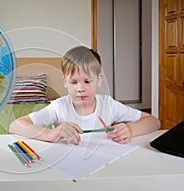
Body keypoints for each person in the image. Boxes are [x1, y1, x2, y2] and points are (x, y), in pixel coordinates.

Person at [9, 46, 160, 145]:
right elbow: (15, 126)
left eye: (87, 81)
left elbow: (153, 122)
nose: (80, 89)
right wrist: (51, 133)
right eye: (73, 82)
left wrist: (130, 130)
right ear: (65, 82)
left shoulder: (108, 105)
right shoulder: (59, 107)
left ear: (99, 80)